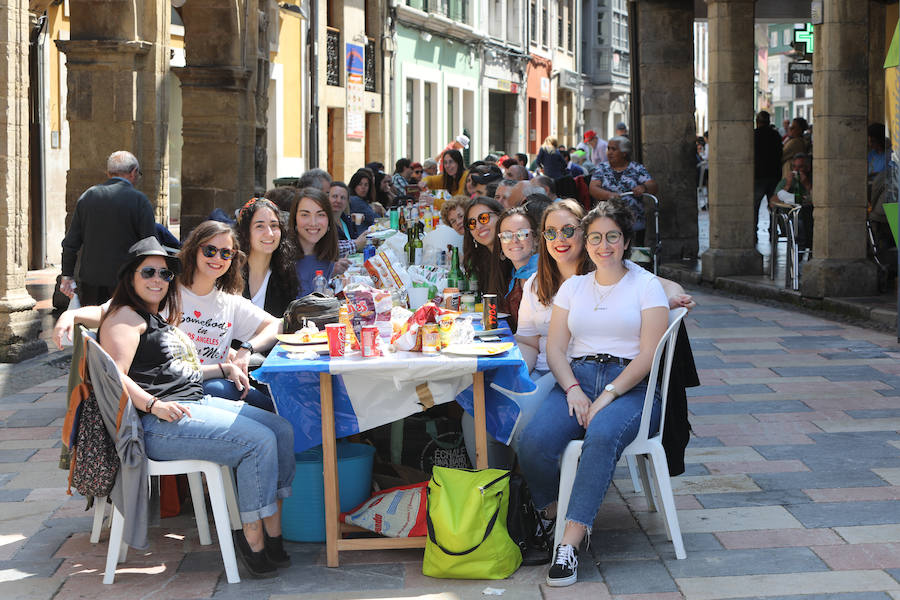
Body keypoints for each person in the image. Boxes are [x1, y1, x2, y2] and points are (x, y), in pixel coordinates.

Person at [91, 236, 295, 578]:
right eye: (149, 272)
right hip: (159, 424)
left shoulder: (152, 315)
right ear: (131, 277)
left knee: (280, 429)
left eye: (165, 274)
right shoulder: (125, 318)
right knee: (257, 442)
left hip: (190, 403)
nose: (158, 279)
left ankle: (273, 529)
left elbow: (176, 369)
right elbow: (114, 376)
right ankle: (252, 536)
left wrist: (224, 367)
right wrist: (153, 405)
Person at [518, 198, 669, 587]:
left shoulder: (646, 285)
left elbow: (650, 355)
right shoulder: (574, 288)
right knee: (533, 441)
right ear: (588, 243)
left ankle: (569, 543)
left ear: (626, 240)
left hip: (632, 387)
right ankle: (551, 513)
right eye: (597, 238)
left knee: (600, 438)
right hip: (580, 377)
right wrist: (572, 389)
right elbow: (554, 348)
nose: (604, 247)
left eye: (613, 238)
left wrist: (608, 396)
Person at [60, 150, 156, 306]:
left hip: (91, 282)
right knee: (123, 327)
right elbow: (150, 244)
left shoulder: (88, 197)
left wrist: (67, 276)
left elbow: (71, 242)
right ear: (133, 173)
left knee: (92, 326)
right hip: (126, 283)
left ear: (108, 173)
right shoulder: (139, 201)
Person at [589, 136, 659, 245]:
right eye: (608, 149)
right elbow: (593, 188)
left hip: (634, 223)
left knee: (635, 251)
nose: (609, 152)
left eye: (614, 149)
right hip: (607, 221)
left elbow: (653, 186)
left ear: (624, 153)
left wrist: (643, 188)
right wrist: (609, 195)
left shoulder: (636, 168)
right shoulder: (602, 168)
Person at [236, 198, 299, 318]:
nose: (269, 233)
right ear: (245, 232)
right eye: (260, 226)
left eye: (274, 225)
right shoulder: (230, 272)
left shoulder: (285, 275)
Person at [291, 187, 349, 296]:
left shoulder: (327, 256)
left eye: (320, 214)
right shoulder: (282, 259)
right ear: (294, 218)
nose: (313, 223)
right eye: (305, 214)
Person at [497, 206, 539, 334]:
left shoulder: (543, 275)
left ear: (535, 239)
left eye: (522, 234)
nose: (514, 241)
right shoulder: (514, 276)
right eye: (506, 235)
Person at [462, 196, 508, 301]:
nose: (478, 227)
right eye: (472, 223)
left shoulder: (513, 253)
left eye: (484, 218)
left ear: (500, 216)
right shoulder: (481, 260)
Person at [773, 153, 814, 250]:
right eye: (794, 167)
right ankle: (799, 252)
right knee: (799, 224)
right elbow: (773, 201)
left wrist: (806, 183)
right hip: (792, 217)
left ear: (808, 168)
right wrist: (787, 185)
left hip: (810, 216)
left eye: (800, 167)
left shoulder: (813, 179)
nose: (796, 170)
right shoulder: (788, 180)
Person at [754, 110, 783, 238]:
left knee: (754, 206)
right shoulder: (775, 135)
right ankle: (773, 230)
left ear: (757, 122)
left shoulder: (754, 135)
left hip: (758, 175)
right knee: (774, 205)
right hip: (774, 175)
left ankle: (752, 231)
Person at [330, 182, 368, 256]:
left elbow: (356, 241)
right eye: (334, 196)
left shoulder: (345, 220)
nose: (338, 201)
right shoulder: (324, 223)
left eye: (343, 198)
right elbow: (329, 249)